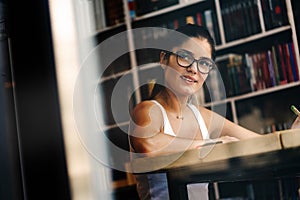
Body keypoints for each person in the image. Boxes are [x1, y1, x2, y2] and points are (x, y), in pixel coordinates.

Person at [128, 24, 300, 200]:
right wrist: (213, 144)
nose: (194, 69)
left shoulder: (203, 117)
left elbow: (260, 143)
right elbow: (150, 146)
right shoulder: (146, 110)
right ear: (164, 59)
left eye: (204, 63)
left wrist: (293, 134)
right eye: (185, 57)